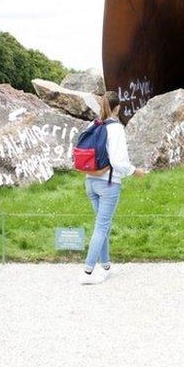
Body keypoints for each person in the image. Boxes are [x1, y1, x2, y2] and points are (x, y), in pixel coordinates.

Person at [78, 91, 147, 285]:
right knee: (101, 227)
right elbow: (118, 161)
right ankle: (88, 272)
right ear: (117, 107)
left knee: (103, 226)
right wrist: (135, 171)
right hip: (108, 183)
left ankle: (106, 266)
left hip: (90, 181)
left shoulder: (92, 124)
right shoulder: (115, 128)